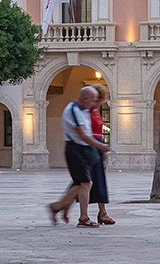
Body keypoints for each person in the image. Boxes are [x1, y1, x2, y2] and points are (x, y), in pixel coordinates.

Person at [50, 85, 107, 226]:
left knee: (82, 184)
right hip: (76, 149)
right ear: (84, 98)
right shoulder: (74, 110)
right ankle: (82, 217)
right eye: (92, 100)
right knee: (86, 183)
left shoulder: (84, 109)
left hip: (85, 149)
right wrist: (101, 146)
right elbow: (83, 135)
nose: (94, 103)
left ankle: (59, 207)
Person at [87, 94, 116, 225]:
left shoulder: (96, 112)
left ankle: (102, 212)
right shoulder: (86, 112)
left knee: (99, 181)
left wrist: (102, 149)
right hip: (90, 148)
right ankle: (61, 206)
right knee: (84, 184)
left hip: (98, 147)